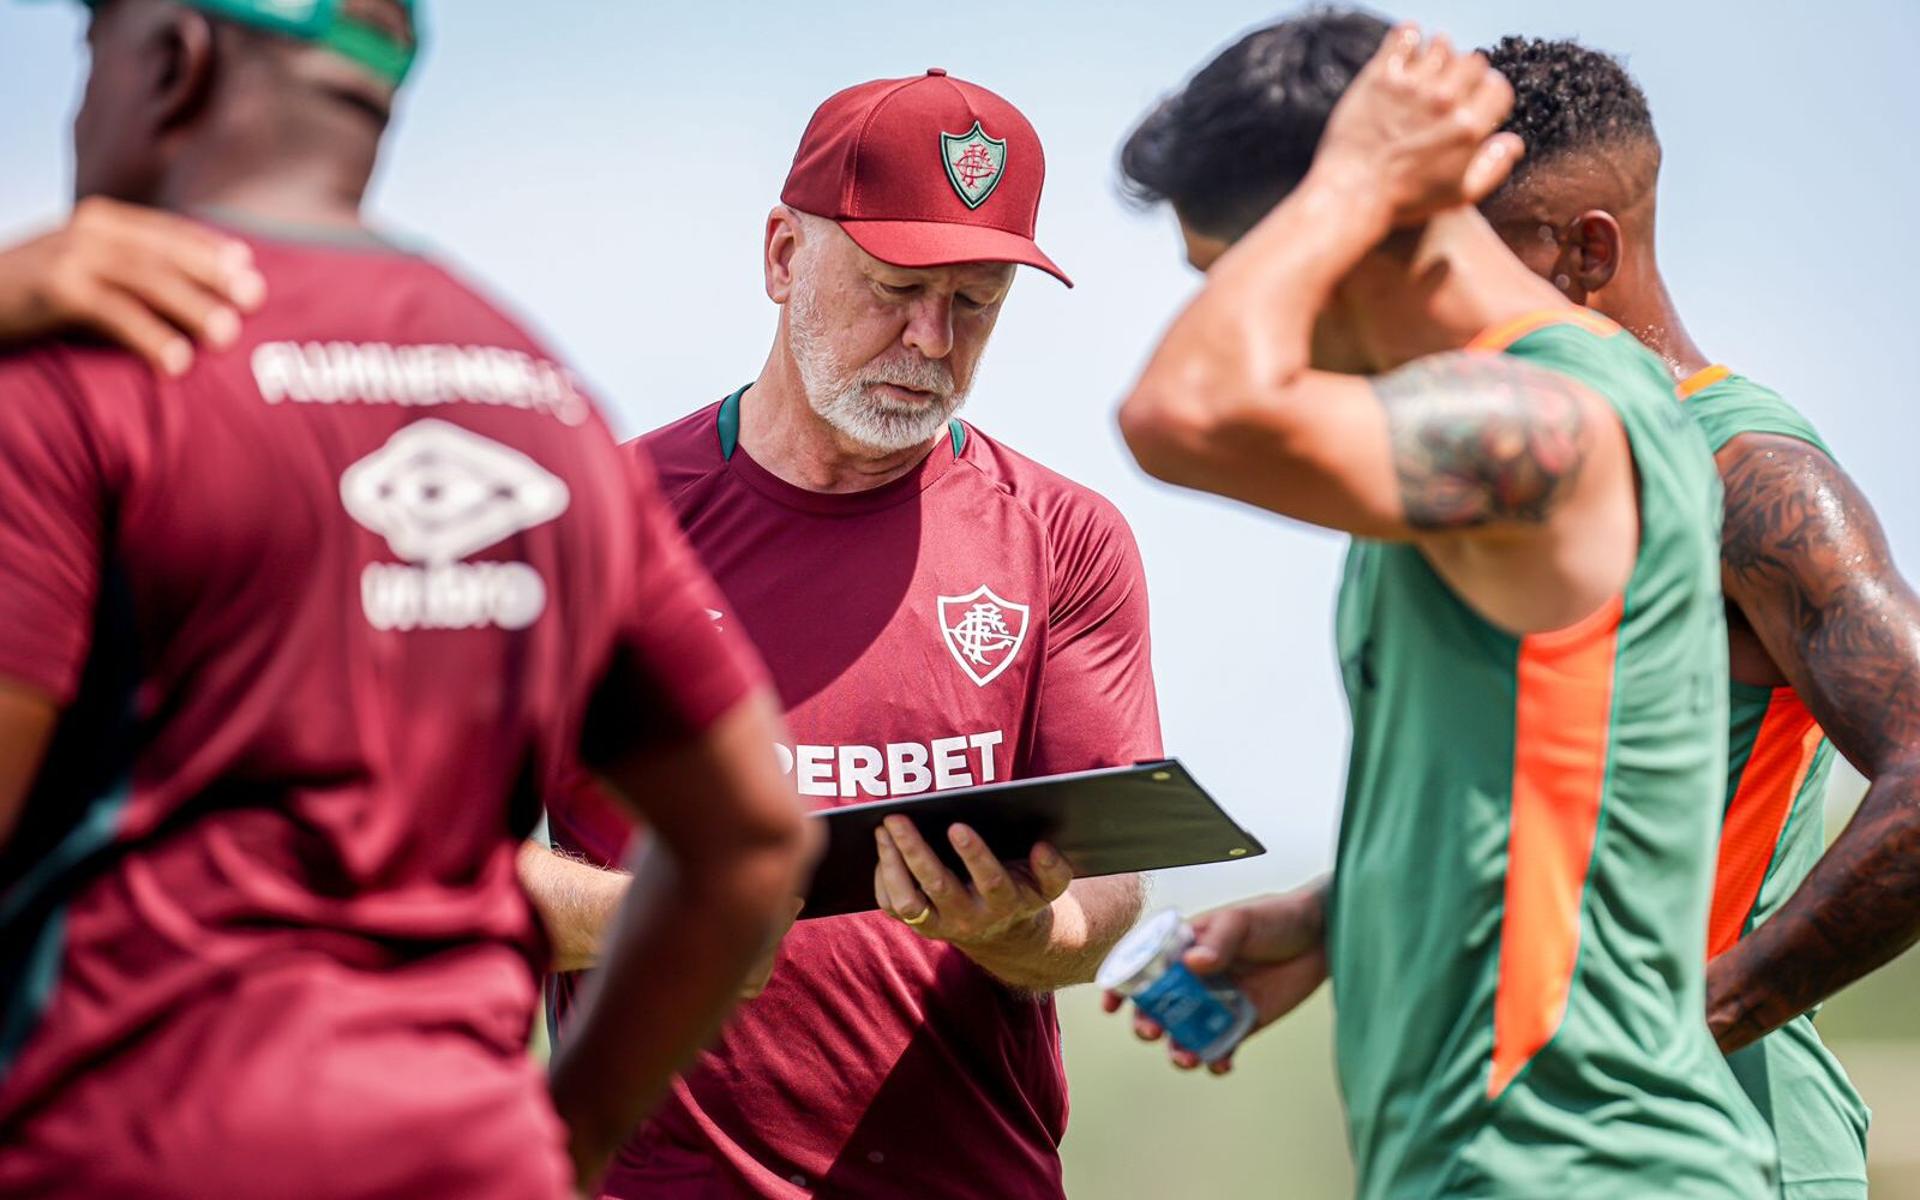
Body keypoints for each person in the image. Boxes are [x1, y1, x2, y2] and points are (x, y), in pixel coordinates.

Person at [0, 2, 816, 1196]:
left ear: (170, 61)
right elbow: (752, 838)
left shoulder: (85, 368)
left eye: (89, 59)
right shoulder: (543, 399)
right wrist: (562, 1143)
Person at [1108, 14, 1773, 1197]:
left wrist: (1350, 181)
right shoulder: (1455, 453)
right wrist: (1344, 915)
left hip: (1581, 1169)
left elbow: (1181, 413)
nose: (1257, 312)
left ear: (1357, 227)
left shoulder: (1554, 425)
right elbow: (1567, 793)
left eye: (1242, 274)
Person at [520, 69, 1160, 1199]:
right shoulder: (595, 528)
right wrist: (671, 919)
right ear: (781, 256)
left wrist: (1013, 924)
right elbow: (437, 878)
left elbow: (1099, 906)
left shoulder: (1065, 536)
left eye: (975, 304)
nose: (929, 338)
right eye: (895, 284)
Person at [1481, 36, 1920, 1198]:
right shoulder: (1562, 485)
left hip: (1734, 1151)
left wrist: (1691, 1023)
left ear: (1586, 251)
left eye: (1469, 275)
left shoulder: (1746, 469)